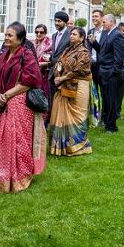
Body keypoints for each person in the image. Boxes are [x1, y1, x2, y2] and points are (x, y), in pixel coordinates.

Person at [0, 23, 45, 193]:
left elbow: (30, 81)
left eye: (10, 35)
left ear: (19, 39)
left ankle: (19, 176)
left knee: (16, 141)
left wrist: (6, 95)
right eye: (5, 34)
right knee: (1, 141)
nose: (6, 38)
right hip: (2, 102)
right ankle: (1, 176)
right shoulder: (4, 55)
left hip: (17, 102)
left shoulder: (26, 55)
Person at [50, 27, 93, 156]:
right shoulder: (67, 50)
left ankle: (79, 146)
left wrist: (62, 78)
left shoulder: (84, 52)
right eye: (71, 34)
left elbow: (80, 69)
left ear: (82, 37)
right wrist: (57, 74)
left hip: (79, 85)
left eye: (75, 34)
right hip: (63, 84)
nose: (71, 36)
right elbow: (58, 62)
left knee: (77, 115)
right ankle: (63, 146)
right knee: (61, 113)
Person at [97, 14, 124, 132]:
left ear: (111, 22)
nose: (102, 24)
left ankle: (112, 126)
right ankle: (107, 123)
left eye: (104, 22)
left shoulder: (117, 35)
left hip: (111, 73)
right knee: (106, 99)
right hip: (103, 71)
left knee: (112, 100)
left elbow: (119, 58)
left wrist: (113, 72)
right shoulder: (106, 33)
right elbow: (103, 51)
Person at [47, 11, 73, 112]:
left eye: (59, 21)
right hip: (52, 71)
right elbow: (55, 53)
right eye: (56, 21)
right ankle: (53, 119)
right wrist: (49, 58)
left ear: (65, 22)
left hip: (64, 72)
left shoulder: (70, 35)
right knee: (52, 97)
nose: (57, 23)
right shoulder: (54, 35)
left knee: (63, 98)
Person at [86, 9, 104, 110]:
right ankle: (95, 115)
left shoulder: (105, 32)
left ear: (102, 18)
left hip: (102, 65)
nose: (94, 18)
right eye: (93, 16)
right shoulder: (90, 31)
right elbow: (88, 47)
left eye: (96, 16)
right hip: (92, 65)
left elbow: (104, 50)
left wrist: (95, 42)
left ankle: (105, 117)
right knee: (93, 91)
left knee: (103, 91)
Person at [33, 24, 52, 101]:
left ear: (45, 33)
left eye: (41, 32)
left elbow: (53, 60)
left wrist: (43, 64)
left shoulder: (50, 44)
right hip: (34, 74)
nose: (39, 34)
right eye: (36, 32)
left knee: (45, 96)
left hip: (45, 75)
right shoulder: (33, 44)